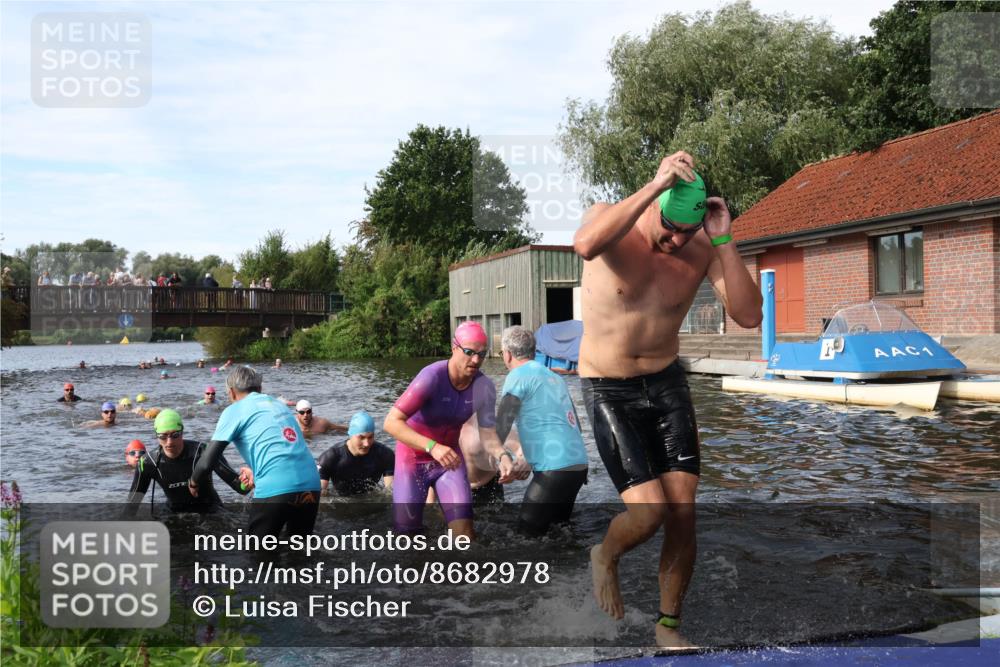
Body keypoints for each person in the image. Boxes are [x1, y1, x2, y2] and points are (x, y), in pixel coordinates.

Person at [574, 152, 762, 646]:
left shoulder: (700, 246)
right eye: (671, 227)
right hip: (607, 386)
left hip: (665, 381)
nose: (675, 240)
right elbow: (585, 243)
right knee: (647, 513)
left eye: (688, 230)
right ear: (656, 202)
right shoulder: (613, 222)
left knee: (683, 509)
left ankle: (668, 625)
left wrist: (722, 238)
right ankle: (605, 555)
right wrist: (655, 187)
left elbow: (748, 315)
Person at [383, 321, 528, 538]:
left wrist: (503, 456)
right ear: (454, 347)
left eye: (482, 354)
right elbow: (391, 422)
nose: (476, 360)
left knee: (465, 536)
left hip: (449, 463)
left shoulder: (484, 387)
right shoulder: (431, 377)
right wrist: (432, 447)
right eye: (469, 352)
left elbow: (488, 434)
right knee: (407, 536)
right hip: (413, 461)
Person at [190, 366, 321, 538]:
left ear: (231, 393)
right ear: (259, 388)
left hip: (276, 487)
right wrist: (256, 471)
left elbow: (207, 460)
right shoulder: (280, 406)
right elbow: (285, 449)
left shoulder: (234, 410)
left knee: (259, 553)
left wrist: (193, 482)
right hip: (311, 483)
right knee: (300, 551)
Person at [496, 326, 589, 536]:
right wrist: (528, 458)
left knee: (525, 538)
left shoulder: (517, 375)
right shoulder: (555, 377)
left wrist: (501, 463)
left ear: (508, 354)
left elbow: (501, 426)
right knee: (559, 534)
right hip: (578, 466)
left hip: (554, 469)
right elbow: (575, 426)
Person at [127, 409, 252, 514]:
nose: (169, 442)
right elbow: (131, 506)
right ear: (156, 435)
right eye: (163, 436)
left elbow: (239, 487)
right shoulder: (147, 463)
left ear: (182, 432)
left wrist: (246, 482)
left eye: (175, 435)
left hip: (210, 512)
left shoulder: (204, 452)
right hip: (175, 513)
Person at [316, 411, 395, 496]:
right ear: (350, 435)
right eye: (361, 437)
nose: (367, 443)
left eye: (370, 437)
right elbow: (319, 496)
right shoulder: (330, 458)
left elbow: (391, 492)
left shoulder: (385, 454)